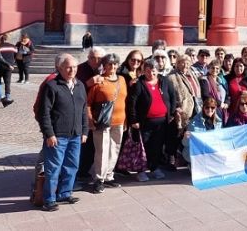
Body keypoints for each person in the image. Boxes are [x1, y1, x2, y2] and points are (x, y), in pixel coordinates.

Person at [38, 53, 87, 212]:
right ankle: (49, 199)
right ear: (59, 68)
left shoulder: (79, 85)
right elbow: (43, 113)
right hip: (57, 136)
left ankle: (65, 193)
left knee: (72, 166)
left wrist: (84, 131)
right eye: (68, 67)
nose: (72, 70)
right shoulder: (52, 86)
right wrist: (49, 134)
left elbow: (83, 111)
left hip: (75, 135)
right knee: (53, 169)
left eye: (74, 67)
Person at [127, 60, 178, 182]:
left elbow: (172, 96)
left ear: (157, 70)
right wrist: (133, 119)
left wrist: (171, 113)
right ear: (144, 71)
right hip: (145, 122)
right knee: (143, 146)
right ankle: (141, 170)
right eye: (148, 71)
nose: (151, 73)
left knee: (157, 146)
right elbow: (132, 103)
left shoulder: (164, 81)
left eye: (153, 70)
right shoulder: (139, 84)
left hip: (162, 121)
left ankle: (154, 167)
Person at [86, 53, 127, 193]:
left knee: (114, 148)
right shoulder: (99, 81)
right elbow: (88, 102)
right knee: (102, 150)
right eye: (110, 64)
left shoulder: (122, 80)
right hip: (102, 121)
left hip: (119, 120)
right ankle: (99, 178)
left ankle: (109, 176)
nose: (113, 66)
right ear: (105, 65)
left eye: (115, 64)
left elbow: (124, 101)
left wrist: (125, 119)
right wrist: (90, 119)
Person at [182, 97, 223, 164]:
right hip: (198, 150)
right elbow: (185, 144)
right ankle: (192, 164)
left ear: (215, 108)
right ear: (203, 108)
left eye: (212, 107)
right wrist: (185, 137)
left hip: (211, 148)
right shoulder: (194, 122)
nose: (210, 110)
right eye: (207, 107)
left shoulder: (219, 122)